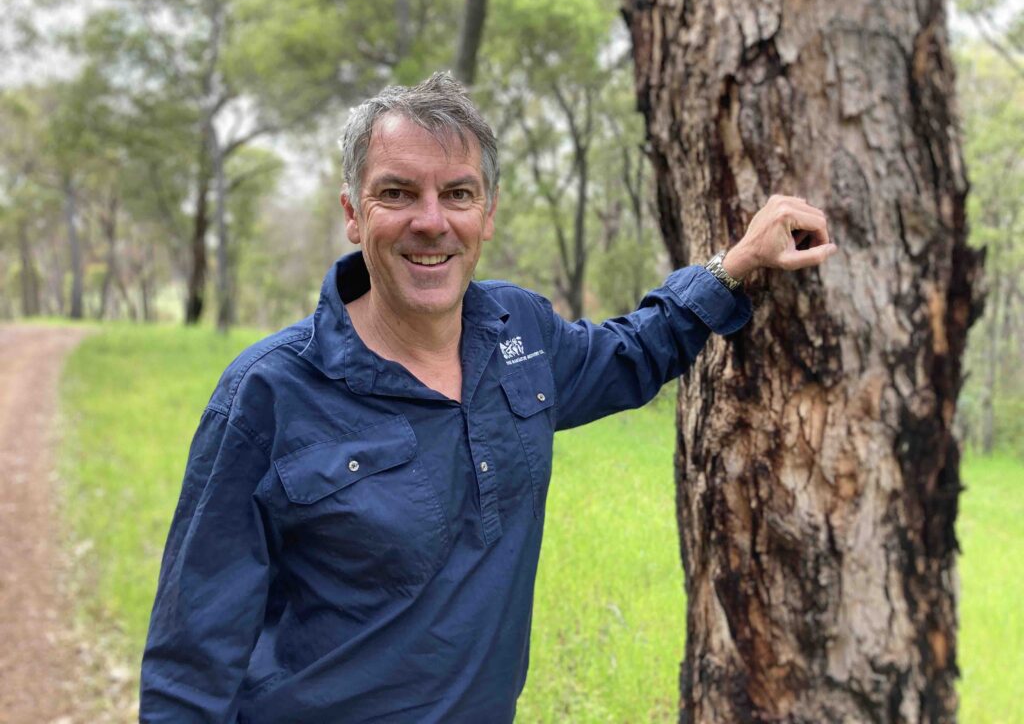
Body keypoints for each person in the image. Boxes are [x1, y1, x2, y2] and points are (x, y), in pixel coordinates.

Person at [139, 72, 836, 722]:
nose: (432, 221)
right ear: (354, 214)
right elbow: (190, 660)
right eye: (398, 193)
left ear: (488, 214)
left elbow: (631, 353)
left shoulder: (520, 335)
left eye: (459, 194)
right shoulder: (269, 392)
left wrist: (735, 264)